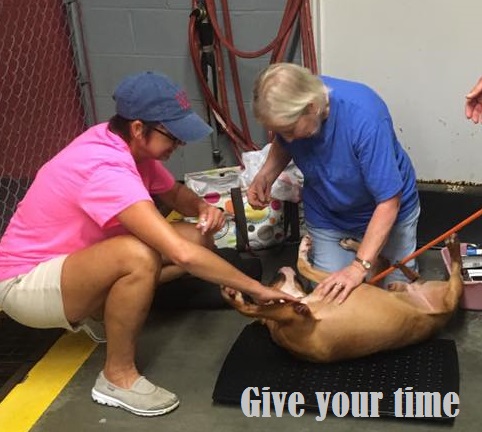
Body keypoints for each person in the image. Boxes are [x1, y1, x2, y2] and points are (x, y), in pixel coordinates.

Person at [0, 71, 297, 417]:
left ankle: (101, 310)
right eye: (174, 136)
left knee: (196, 234)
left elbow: (174, 194)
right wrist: (255, 289)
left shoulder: (128, 147)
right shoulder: (106, 167)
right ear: (139, 129)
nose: (180, 145)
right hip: (24, 283)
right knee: (138, 256)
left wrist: (203, 208)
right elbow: (181, 255)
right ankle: (117, 377)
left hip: (71, 263)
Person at [248, 62, 420, 304]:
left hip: (386, 212)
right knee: (330, 300)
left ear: (312, 107)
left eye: (288, 130)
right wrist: (265, 175)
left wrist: (359, 266)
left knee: (399, 301)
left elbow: (389, 202)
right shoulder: (295, 108)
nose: (286, 138)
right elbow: (284, 142)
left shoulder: (365, 117)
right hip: (329, 215)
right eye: (279, 131)